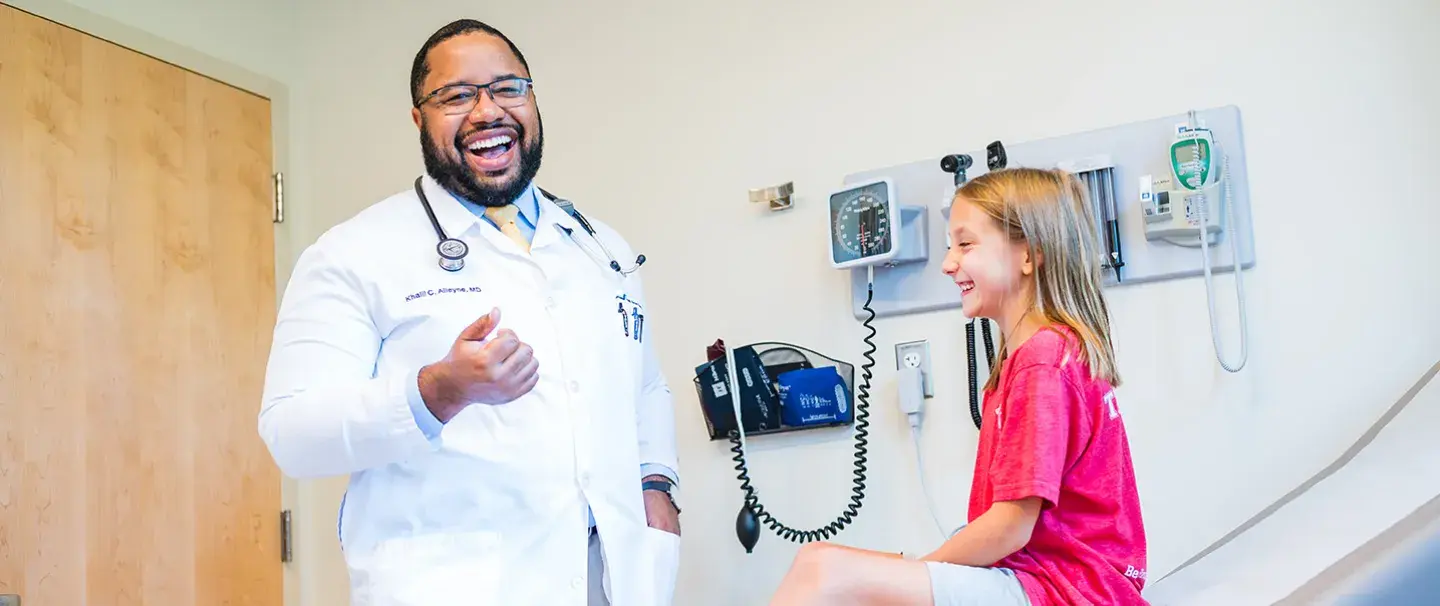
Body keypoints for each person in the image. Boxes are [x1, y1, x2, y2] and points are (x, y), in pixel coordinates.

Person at [256, 18, 681, 606]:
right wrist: (437, 391)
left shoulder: (595, 244)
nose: (488, 111)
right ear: (418, 119)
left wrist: (657, 486)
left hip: (608, 577)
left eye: (508, 88)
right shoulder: (354, 252)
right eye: (456, 96)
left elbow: (646, 386)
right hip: (458, 584)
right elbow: (293, 433)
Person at [766, 168, 1149, 605]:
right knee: (821, 562)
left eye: (966, 244)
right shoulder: (1038, 358)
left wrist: (924, 569)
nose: (949, 263)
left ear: (1029, 255)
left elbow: (1011, 524)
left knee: (822, 570)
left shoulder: (1042, 361)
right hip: (1052, 583)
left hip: (1066, 592)